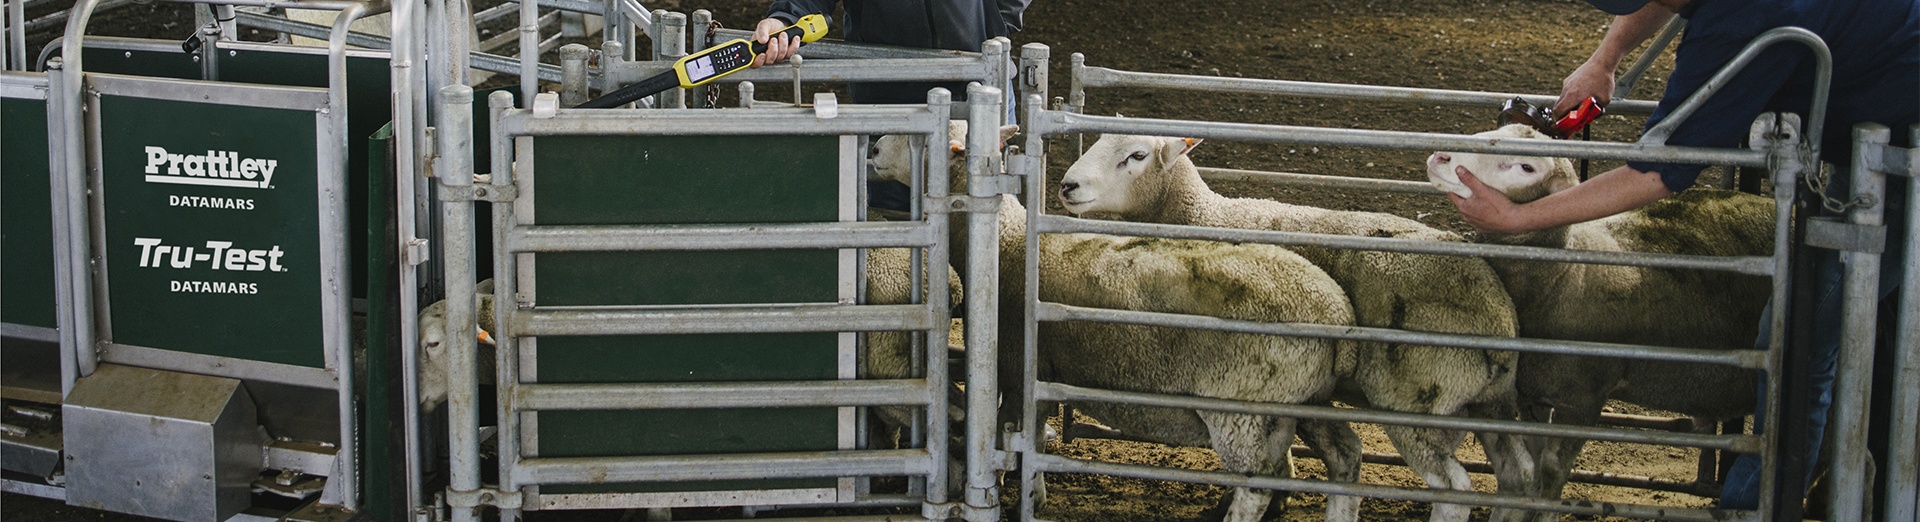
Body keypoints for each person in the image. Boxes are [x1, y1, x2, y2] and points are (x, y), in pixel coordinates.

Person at [1444, 0, 1918, 511]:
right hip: (1875, 143)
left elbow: (1660, 171)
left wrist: (1516, 220)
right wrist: (1607, 57)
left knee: (1800, 338)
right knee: (1826, 326)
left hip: (1896, 158)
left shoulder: (1739, 23)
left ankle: (1751, 508)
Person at [749, 0, 1032, 214]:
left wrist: (997, 22)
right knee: (894, 235)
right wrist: (786, 17)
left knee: (988, 227)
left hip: (979, 88)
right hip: (891, 96)